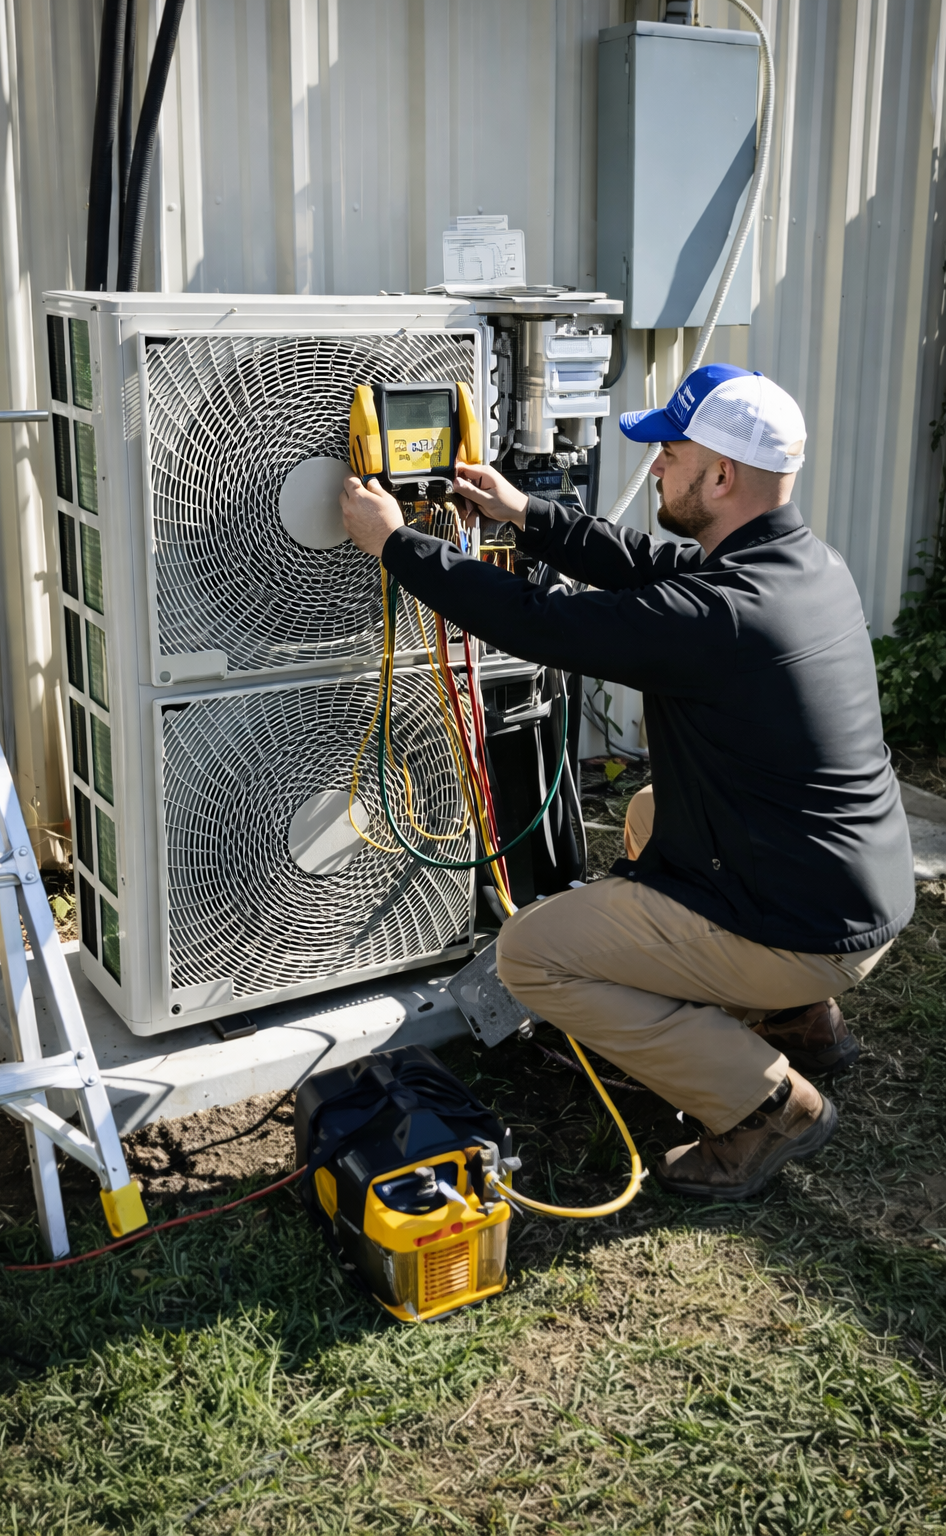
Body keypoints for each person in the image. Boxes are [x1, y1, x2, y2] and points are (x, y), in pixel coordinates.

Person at [339, 365, 914, 1199]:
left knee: (533, 955)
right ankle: (800, 1020)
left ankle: (767, 1106)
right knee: (650, 809)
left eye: (670, 454)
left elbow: (543, 624)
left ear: (721, 475)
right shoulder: (803, 564)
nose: (655, 470)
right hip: (851, 894)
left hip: (805, 926)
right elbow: (650, 563)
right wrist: (525, 513)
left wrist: (398, 545)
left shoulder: (719, 614)